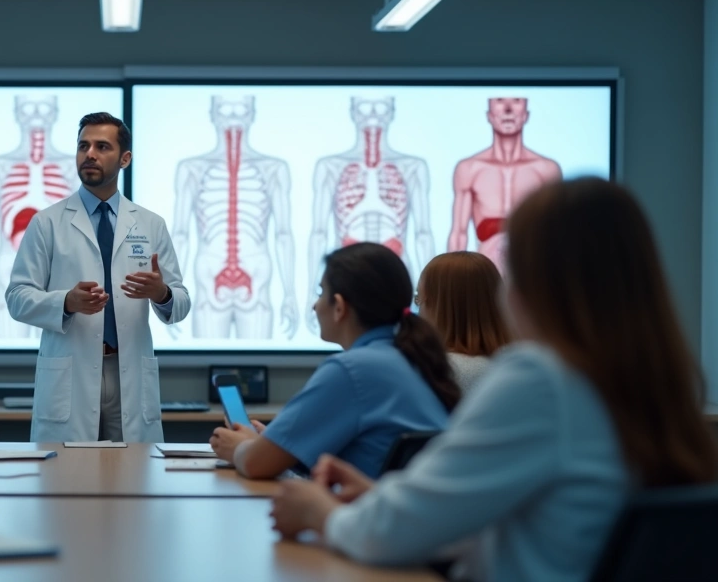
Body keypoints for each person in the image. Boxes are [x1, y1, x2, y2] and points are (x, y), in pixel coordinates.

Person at [270, 178, 718, 582]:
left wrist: (318, 511)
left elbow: (384, 538)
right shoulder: (653, 385)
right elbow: (546, 528)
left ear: (532, 284)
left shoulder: (541, 379)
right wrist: (380, 497)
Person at [6, 112, 191, 442]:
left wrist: (161, 292)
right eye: (83, 146)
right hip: (71, 375)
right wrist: (66, 301)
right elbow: (17, 298)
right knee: (67, 482)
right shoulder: (47, 223)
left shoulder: (150, 224)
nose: (89, 154)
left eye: (102, 146)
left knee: (135, 481)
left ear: (125, 158)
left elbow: (181, 302)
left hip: (129, 373)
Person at [211, 242, 459, 479]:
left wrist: (238, 448)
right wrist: (275, 446)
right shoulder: (408, 358)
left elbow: (256, 464)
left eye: (321, 293)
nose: (315, 306)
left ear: (339, 307)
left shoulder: (352, 370)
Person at [415, 251, 512, 394]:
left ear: (439, 307)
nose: (418, 311)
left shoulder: (439, 372)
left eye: (419, 299)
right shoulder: (519, 365)